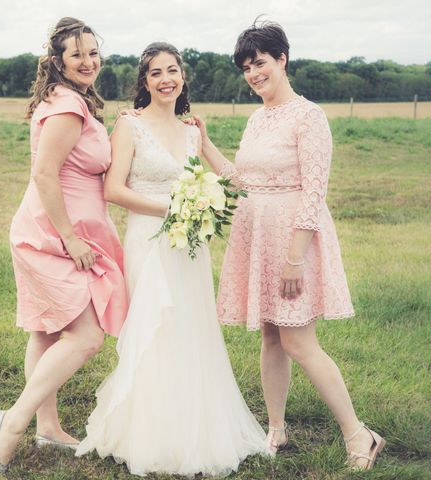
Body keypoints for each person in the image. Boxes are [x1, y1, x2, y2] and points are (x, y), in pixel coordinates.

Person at [192, 19, 386, 470]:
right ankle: (276, 426)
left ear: (282, 59)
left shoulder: (308, 116)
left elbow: (315, 193)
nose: (253, 73)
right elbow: (242, 180)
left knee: (299, 342)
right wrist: (205, 146)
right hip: (257, 236)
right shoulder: (258, 118)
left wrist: (295, 258)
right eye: (246, 67)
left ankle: (360, 434)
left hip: (293, 244)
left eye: (260, 63)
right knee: (270, 337)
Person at [75, 42, 271, 477]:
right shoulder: (130, 125)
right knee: (154, 330)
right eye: (156, 73)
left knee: (190, 328)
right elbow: (114, 191)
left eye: (173, 71)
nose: (166, 79)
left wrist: (210, 156)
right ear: (144, 82)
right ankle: (150, 433)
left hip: (189, 248)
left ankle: (194, 427)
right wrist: (173, 208)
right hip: (149, 239)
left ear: (183, 77)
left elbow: (229, 177)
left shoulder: (191, 131)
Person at [0, 17, 128, 477]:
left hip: (59, 231)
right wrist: (69, 237)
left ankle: (47, 427)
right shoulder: (67, 106)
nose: (88, 62)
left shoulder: (72, 100)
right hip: (53, 236)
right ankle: (15, 420)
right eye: (76, 54)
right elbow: (45, 174)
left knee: (46, 331)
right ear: (57, 62)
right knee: (85, 336)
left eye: (93, 52)